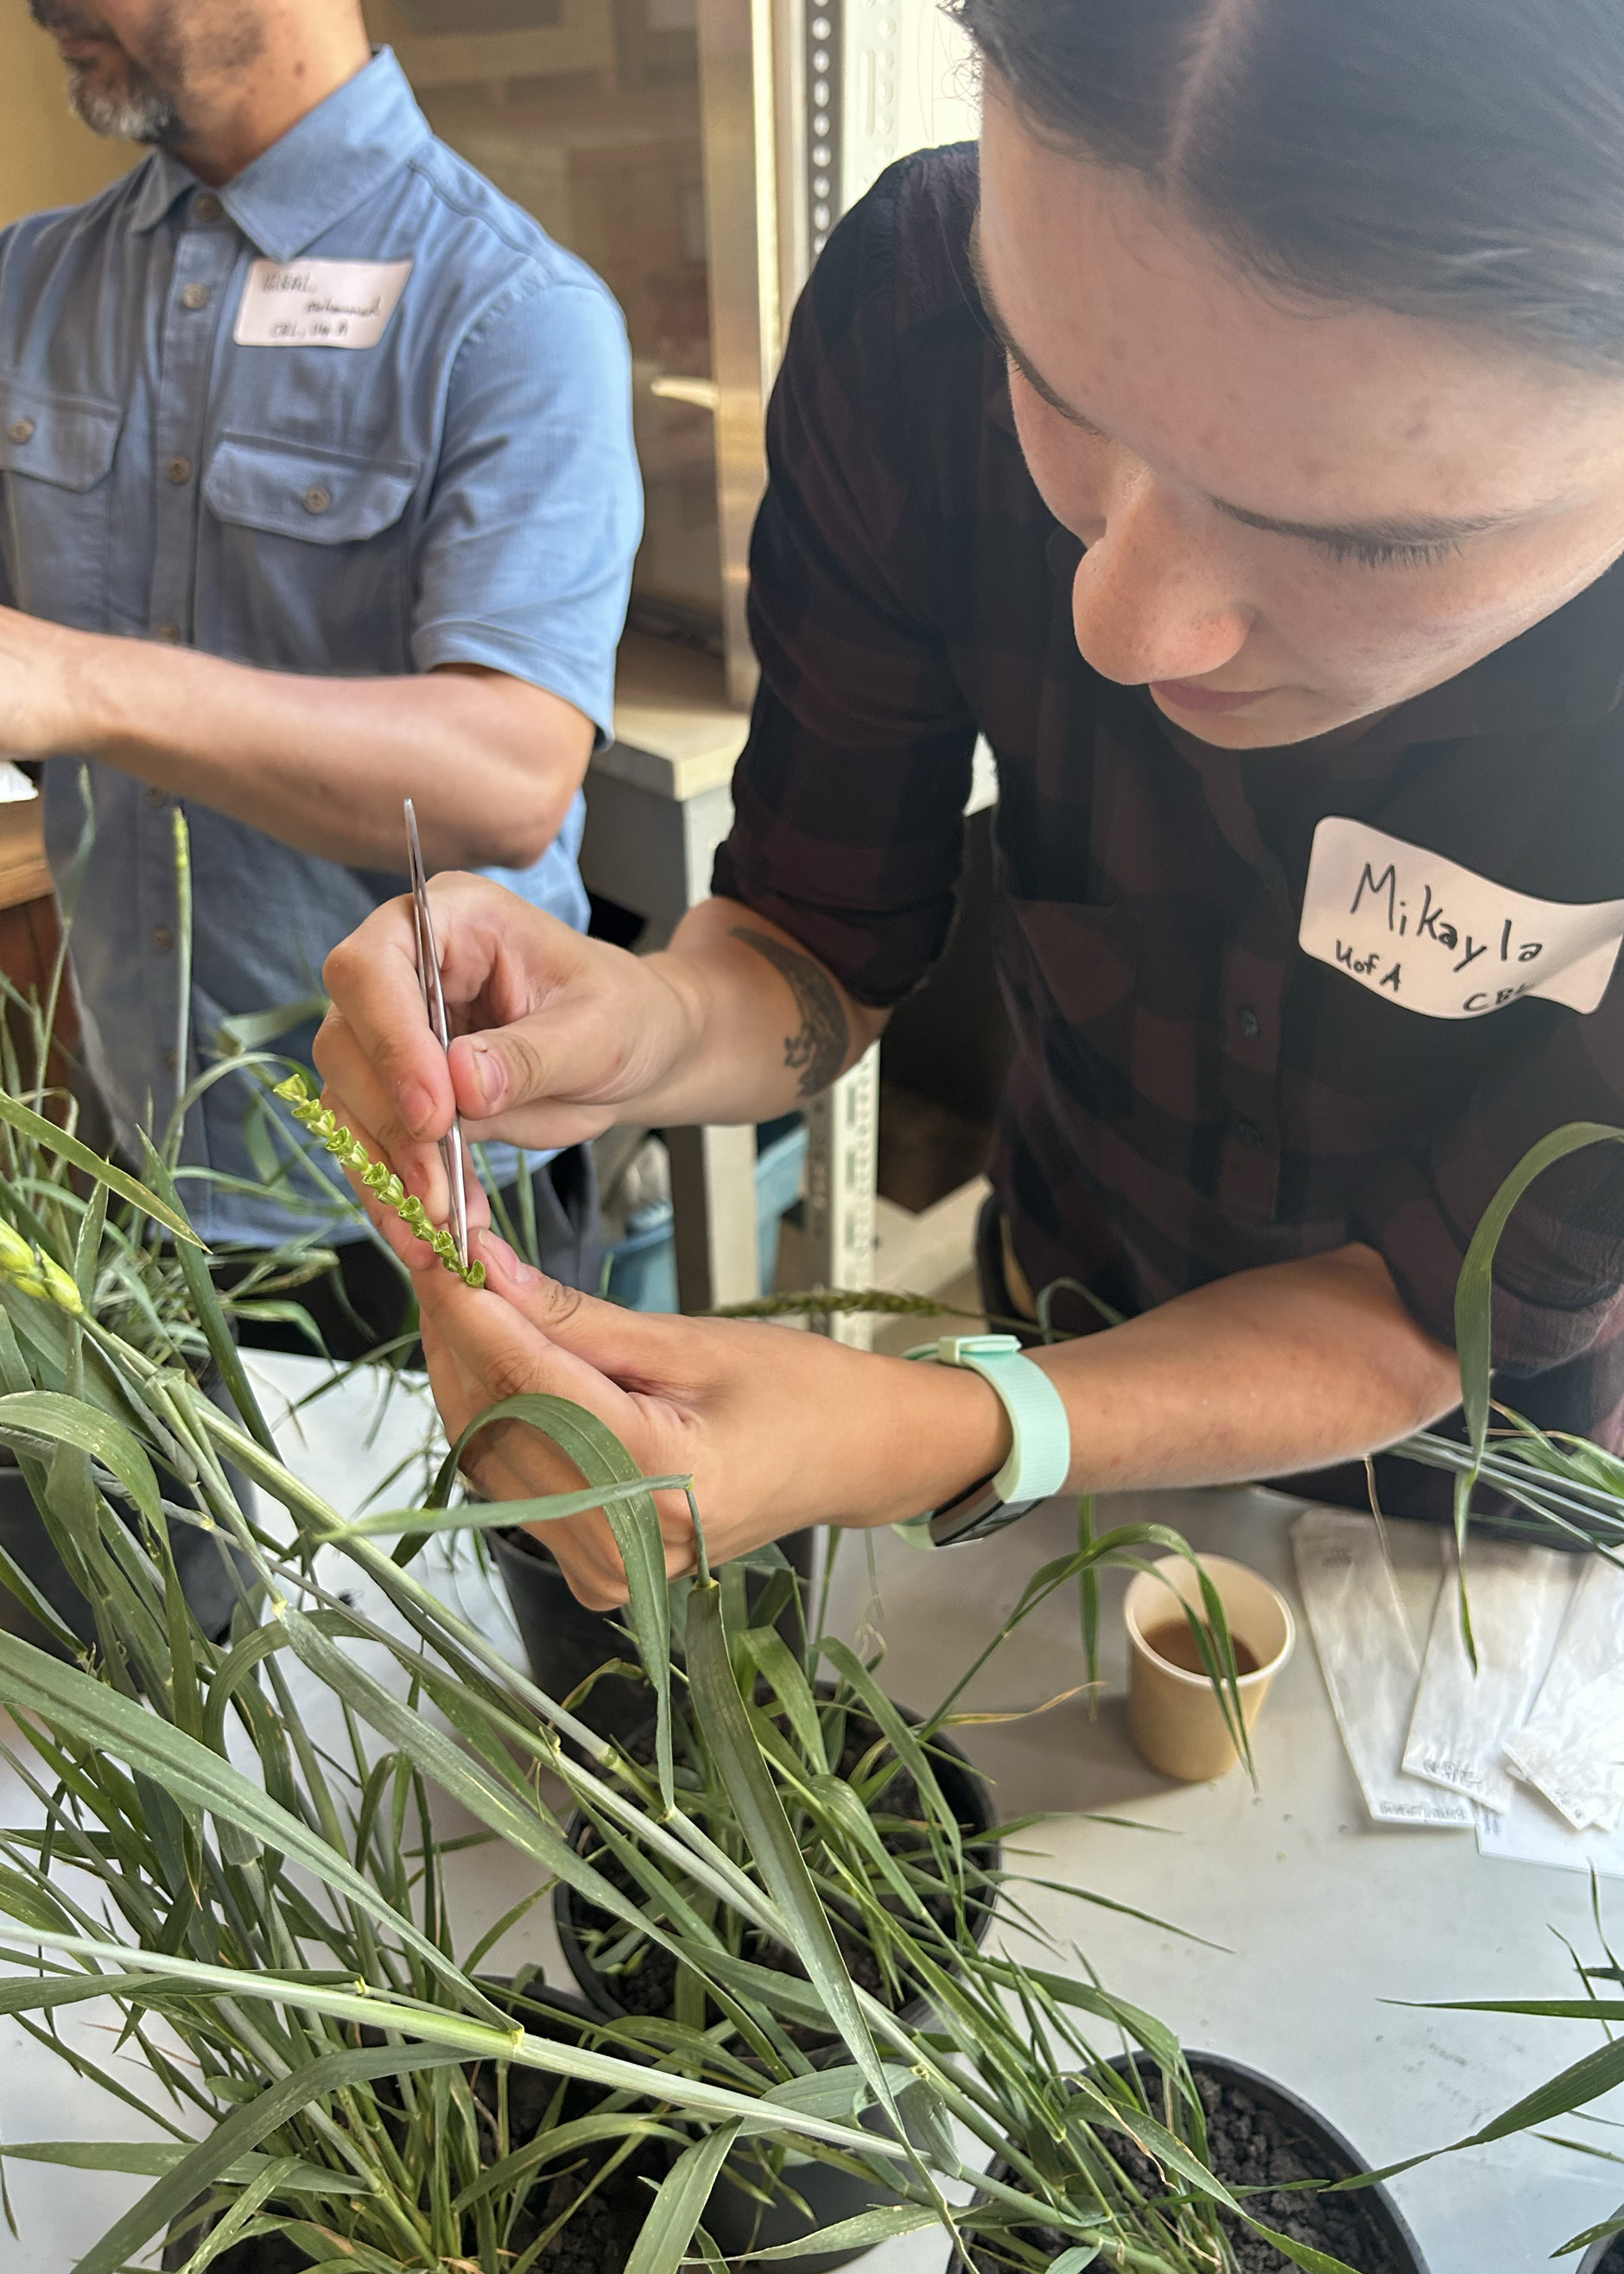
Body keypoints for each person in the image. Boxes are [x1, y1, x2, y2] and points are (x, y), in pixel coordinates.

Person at [317, 0, 1624, 1600]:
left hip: (1487, 1485)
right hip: (1067, 1290)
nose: (1120, 629)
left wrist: (939, 1423)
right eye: (1057, 389)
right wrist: (634, 1029)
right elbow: (812, 938)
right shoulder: (912, 319)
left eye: (1371, 542)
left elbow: (1447, 1304)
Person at [0, 0, 641, 1350]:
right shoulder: (28, 285)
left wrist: (81, 684)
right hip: (142, 1158)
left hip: (426, 1192)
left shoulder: (513, 313)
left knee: (487, 1567)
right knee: (184, 1560)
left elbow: (513, 771)